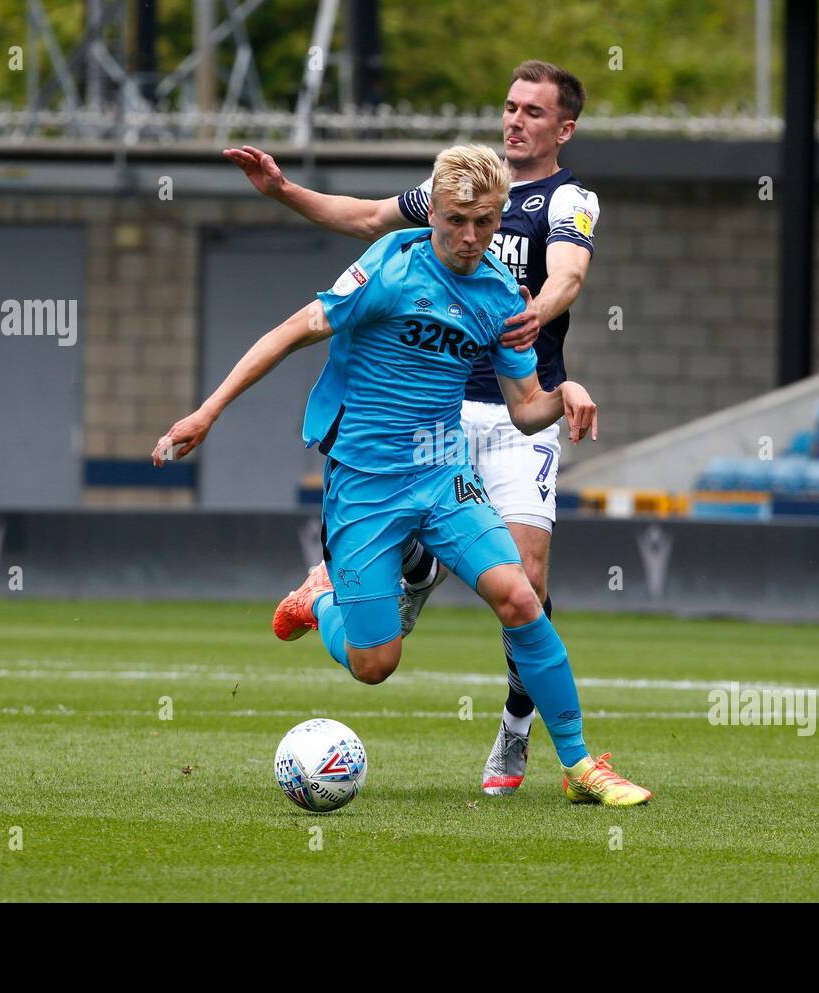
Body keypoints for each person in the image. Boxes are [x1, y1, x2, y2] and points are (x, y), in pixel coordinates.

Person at [151, 144, 650, 806]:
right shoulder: (389, 268)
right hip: (365, 483)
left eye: (485, 221)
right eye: (456, 220)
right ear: (435, 210)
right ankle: (318, 599)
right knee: (374, 665)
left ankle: (581, 764)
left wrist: (569, 392)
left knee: (520, 597)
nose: (470, 237)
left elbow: (527, 408)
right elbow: (291, 331)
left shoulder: (500, 292)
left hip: (445, 475)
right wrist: (205, 413)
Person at [225, 60, 598, 796]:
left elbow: (568, 275)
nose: (516, 119)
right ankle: (388, 576)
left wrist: (536, 313)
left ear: (564, 128)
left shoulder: (567, 199)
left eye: (533, 110)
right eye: (510, 104)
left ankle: (524, 739)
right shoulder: (452, 191)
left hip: (521, 405)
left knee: (525, 584)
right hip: (444, 408)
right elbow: (366, 217)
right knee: (380, 653)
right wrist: (286, 191)